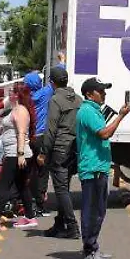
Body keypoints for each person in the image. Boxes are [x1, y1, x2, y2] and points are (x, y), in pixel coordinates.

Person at [75, 77, 130, 259]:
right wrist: (121, 116)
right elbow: (104, 133)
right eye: (101, 91)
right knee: (92, 212)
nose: (104, 94)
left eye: (104, 91)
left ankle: (93, 247)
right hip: (92, 169)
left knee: (98, 211)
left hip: (98, 167)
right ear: (89, 94)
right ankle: (89, 252)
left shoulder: (94, 110)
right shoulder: (88, 111)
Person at [0, 82, 40, 232]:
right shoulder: (15, 109)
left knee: (4, 185)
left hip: (16, 154)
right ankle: (30, 217)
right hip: (15, 153)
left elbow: (21, 133)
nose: (9, 94)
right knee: (21, 185)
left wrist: (19, 155)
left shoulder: (20, 110)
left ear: (17, 94)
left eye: (11, 91)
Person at [43, 66, 81, 238]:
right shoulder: (78, 99)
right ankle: (59, 224)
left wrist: (44, 152)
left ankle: (72, 227)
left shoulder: (55, 100)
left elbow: (51, 129)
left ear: (52, 83)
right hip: (74, 148)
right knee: (64, 187)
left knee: (61, 189)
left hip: (59, 148)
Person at [24, 71, 53, 216]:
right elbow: (57, 78)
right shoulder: (44, 94)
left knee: (31, 171)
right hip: (42, 138)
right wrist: (61, 61)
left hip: (29, 138)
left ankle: (31, 204)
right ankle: (41, 204)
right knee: (42, 171)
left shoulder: (26, 98)